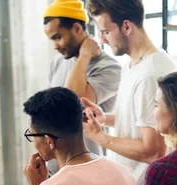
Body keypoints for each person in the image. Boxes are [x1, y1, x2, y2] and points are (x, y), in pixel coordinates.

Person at [82, 0, 177, 185]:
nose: (101, 40)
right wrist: (105, 119)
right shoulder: (132, 64)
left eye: (106, 32)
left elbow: (154, 151)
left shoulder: (151, 74)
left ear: (127, 26)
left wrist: (101, 138)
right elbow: (142, 121)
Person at [43, 0, 121, 174]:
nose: (55, 46)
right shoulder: (58, 62)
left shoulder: (109, 68)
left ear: (77, 29)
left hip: (87, 174)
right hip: (53, 171)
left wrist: (85, 55)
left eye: (58, 37)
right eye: (52, 39)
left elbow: (72, 99)